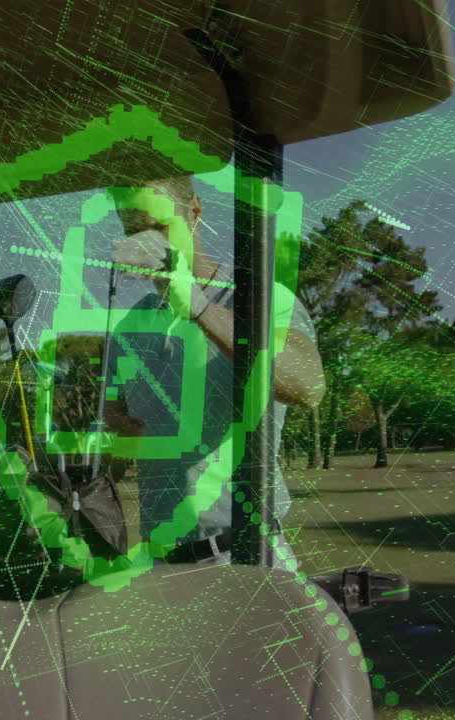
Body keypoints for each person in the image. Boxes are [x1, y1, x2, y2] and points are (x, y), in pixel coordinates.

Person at [104, 175, 326, 568]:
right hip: (160, 560)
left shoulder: (259, 296)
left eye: (159, 227)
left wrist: (199, 308)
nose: (150, 246)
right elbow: (117, 423)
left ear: (196, 212)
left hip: (243, 551)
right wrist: (116, 431)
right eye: (135, 232)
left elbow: (308, 387)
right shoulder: (128, 327)